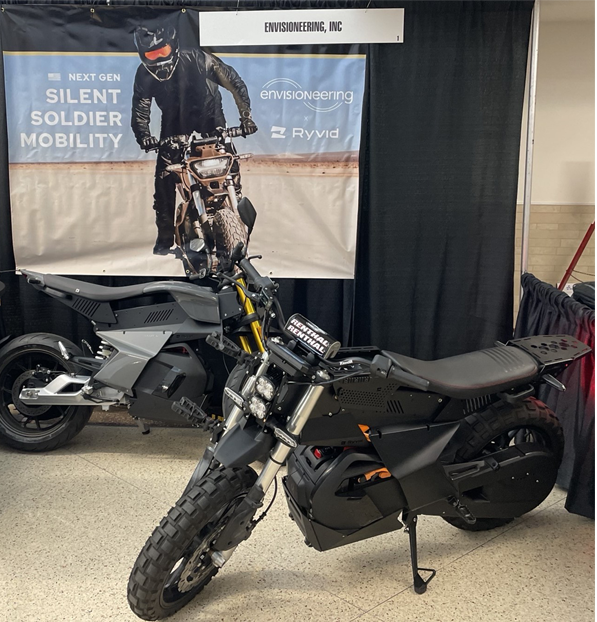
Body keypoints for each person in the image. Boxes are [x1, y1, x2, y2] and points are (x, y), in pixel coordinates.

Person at [131, 24, 257, 255]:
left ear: (174, 47)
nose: (157, 59)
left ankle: (235, 213)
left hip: (209, 114)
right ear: (142, 54)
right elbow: (140, 110)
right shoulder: (143, 74)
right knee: (165, 178)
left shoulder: (200, 60)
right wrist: (144, 137)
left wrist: (246, 117)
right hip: (173, 121)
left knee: (229, 163)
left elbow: (235, 83)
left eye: (162, 52)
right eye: (151, 54)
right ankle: (165, 237)